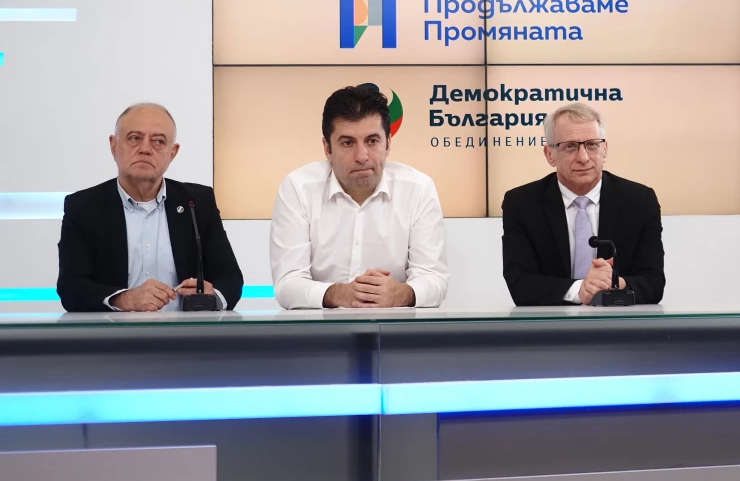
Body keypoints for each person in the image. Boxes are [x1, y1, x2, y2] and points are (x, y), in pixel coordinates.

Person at [270, 84, 448, 309]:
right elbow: (287, 283)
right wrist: (339, 294)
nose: (362, 156)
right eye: (348, 143)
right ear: (327, 148)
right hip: (320, 328)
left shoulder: (418, 189)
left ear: (388, 143)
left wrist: (401, 294)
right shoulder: (298, 188)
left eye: (372, 141)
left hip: (395, 327)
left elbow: (434, 279)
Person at [57, 103, 243, 312]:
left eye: (158, 141)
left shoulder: (197, 203)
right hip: (114, 331)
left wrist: (213, 296)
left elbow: (230, 279)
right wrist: (123, 299)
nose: (145, 149)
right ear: (114, 146)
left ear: (172, 153)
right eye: (134, 138)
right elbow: (71, 288)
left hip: (186, 331)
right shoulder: (83, 207)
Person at [502, 103, 665, 306]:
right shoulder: (522, 204)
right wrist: (580, 290)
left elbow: (654, 282)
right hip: (551, 323)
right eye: (570, 146)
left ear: (605, 149)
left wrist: (613, 284)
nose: (583, 158)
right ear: (550, 154)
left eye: (592, 145)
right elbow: (521, 284)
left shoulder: (639, 201)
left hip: (619, 323)